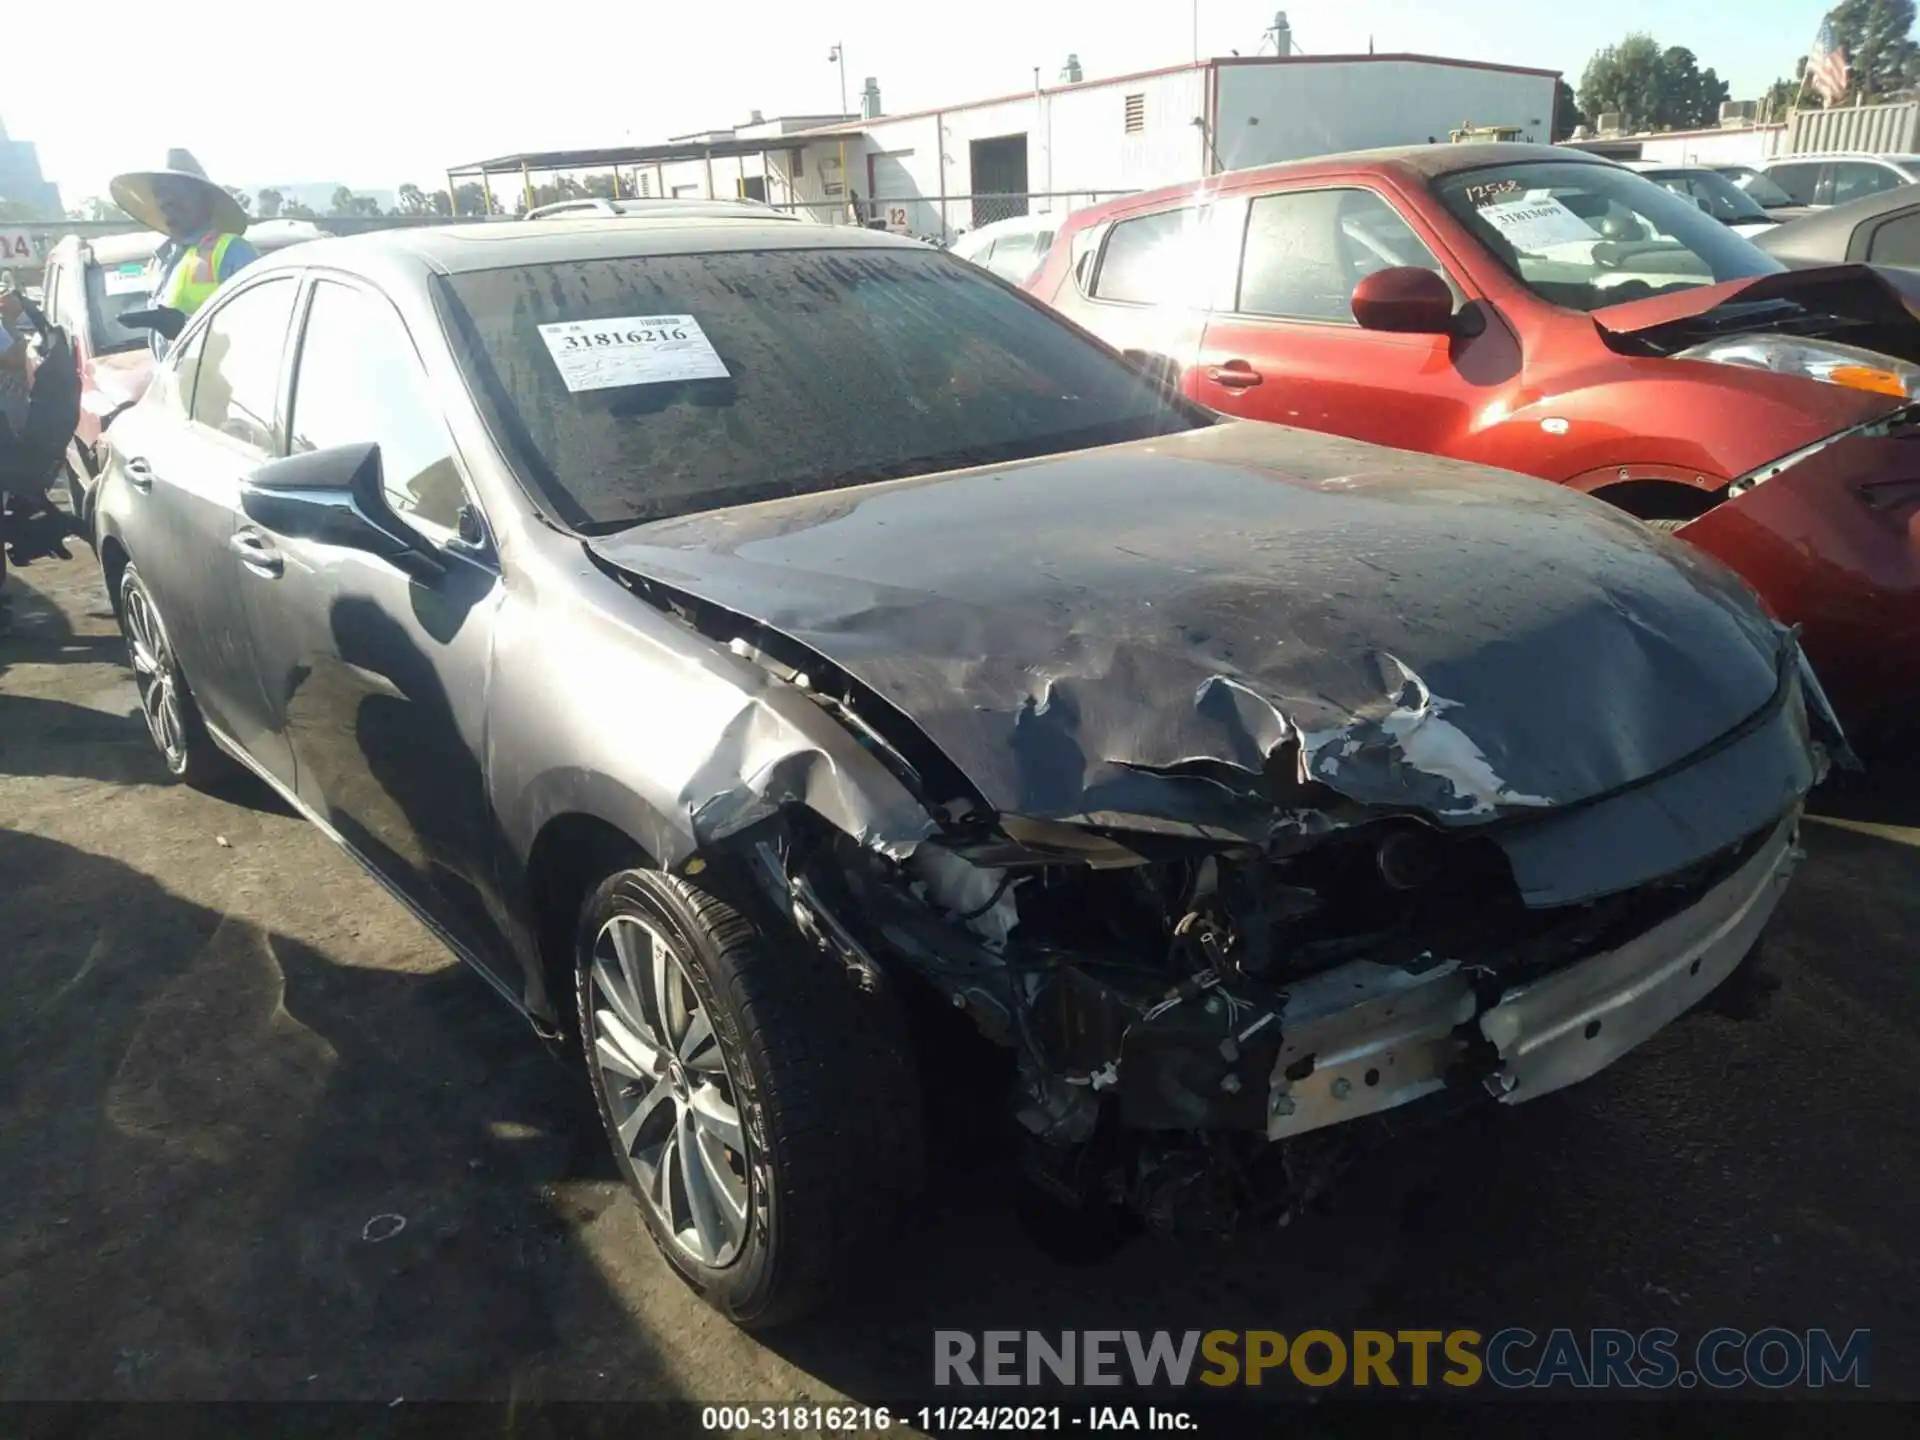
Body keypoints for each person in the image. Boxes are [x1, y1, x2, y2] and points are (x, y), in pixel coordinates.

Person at [108, 148, 258, 350]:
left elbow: (258, 331)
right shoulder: (162, 259)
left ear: (204, 199)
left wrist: (185, 328)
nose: (166, 200)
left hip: (217, 379)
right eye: (160, 191)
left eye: (176, 190)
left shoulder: (232, 252)